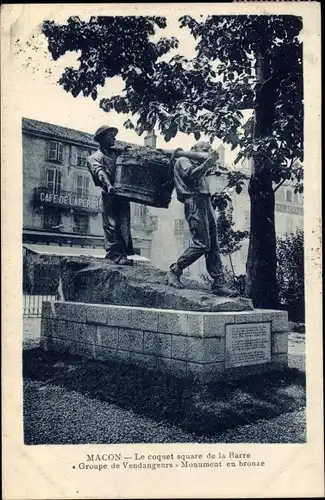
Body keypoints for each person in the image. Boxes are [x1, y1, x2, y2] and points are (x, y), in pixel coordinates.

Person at [166, 141, 239, 297]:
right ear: (194, 149)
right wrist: (207, 163)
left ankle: (219, 283)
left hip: (205, 201)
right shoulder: (183, 160)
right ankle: (175, 270)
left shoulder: (198, 163)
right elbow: (191, 176)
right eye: (204, 150)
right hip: (193, 201)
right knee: (202, 243)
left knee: (214, 245)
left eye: (209, 150)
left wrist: (207, 164)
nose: (207, 152)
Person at [87, 125, 134, 265]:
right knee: (111, 223)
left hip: (122, 194)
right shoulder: (94, 157)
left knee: (124, 223)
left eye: (114, 135)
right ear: (101, 139)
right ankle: (115, 255)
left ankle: (122, 254)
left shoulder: (116, 154)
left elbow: (129, 153)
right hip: (109, 194)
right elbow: (100, 172)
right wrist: (109, 186)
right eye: (110, 135)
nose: (114, 138)